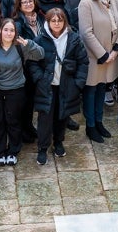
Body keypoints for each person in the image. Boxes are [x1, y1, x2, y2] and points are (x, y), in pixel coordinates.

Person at [30, 8, 89, 163]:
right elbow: (32, 63)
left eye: (60, 20)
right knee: (45, 118)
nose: (57, 23)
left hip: (66, 85)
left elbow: (83, 62)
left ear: (64, 22)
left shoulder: (74, 39)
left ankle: (58, 142)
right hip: (47, 86)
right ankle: (42, 147)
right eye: (53, 20)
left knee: (62, 116)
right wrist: (40, 79)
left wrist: (78, 84)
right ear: (48, 22)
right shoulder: (40, 40)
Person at [0, 18, 44, 164]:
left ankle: (13, 150)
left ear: (15, 33)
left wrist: (29, 44)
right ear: (0, 30)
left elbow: (40, 54)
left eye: (12, 30)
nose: (8, 33)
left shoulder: (20, 46)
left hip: (16, 89)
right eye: (6, 29)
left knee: (14, 121)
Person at [77, 0, 118, 142]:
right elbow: (86, 33)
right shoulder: (86, 1)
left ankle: (99, 122)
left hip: (112, 54)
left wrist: (116, 48)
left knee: (102, 89)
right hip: (94, 56)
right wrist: (103, 55)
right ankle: (90, 126)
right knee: (91, 91)